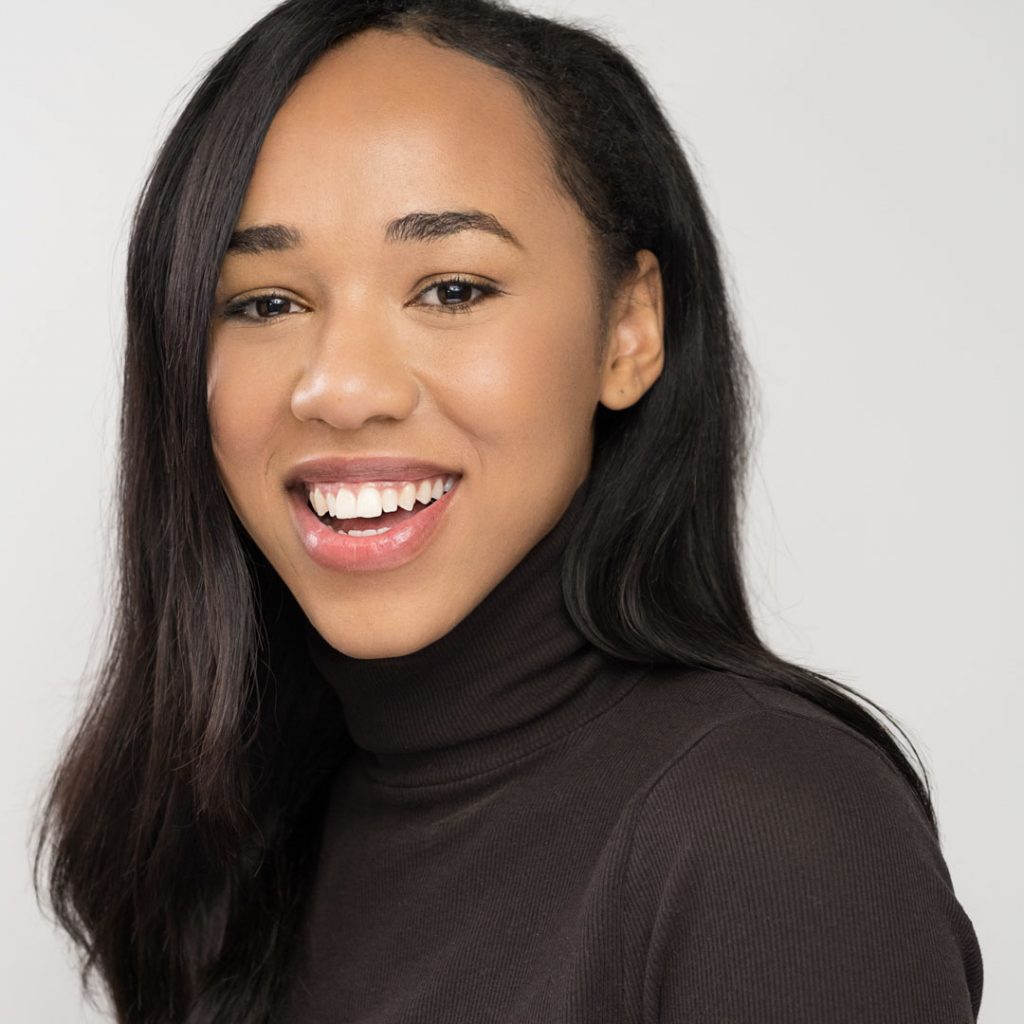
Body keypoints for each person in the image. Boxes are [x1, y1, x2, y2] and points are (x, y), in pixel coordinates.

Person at [32, 1, 983, 1021]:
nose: (341, 387)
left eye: (449, 289)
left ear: (627, 332)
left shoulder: (769, 833)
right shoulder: (244, 833)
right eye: (266, 303)